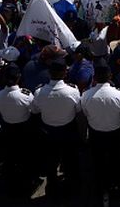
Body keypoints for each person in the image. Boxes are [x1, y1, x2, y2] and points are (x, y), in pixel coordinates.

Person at [31, 58, 82, 199]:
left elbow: (35, 110)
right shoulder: (73, 91)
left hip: (48, 133)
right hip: (68, 131)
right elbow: (78, 110)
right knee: (70, 162)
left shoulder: (39, 91)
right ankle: (70, 189)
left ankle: (52, 190)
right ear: (65, 73)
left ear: (49, 73)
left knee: (51, 163)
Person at [81, 59, 120, 200]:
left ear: (94, 78)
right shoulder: (119, 95)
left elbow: (85, 113)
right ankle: (118, 183)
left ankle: (99, 186)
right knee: (116, 159)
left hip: (96, 134)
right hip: (115, 133)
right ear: (110, 77)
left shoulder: (86, 95)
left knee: (98, 161)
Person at [0, 64, 37, 197]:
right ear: (18, 77)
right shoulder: (26, 94)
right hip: (24, 130)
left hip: (8, 130)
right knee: (26, 159)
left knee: (10, 159)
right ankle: (27, 186)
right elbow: (34, 110)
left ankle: (11, 186)